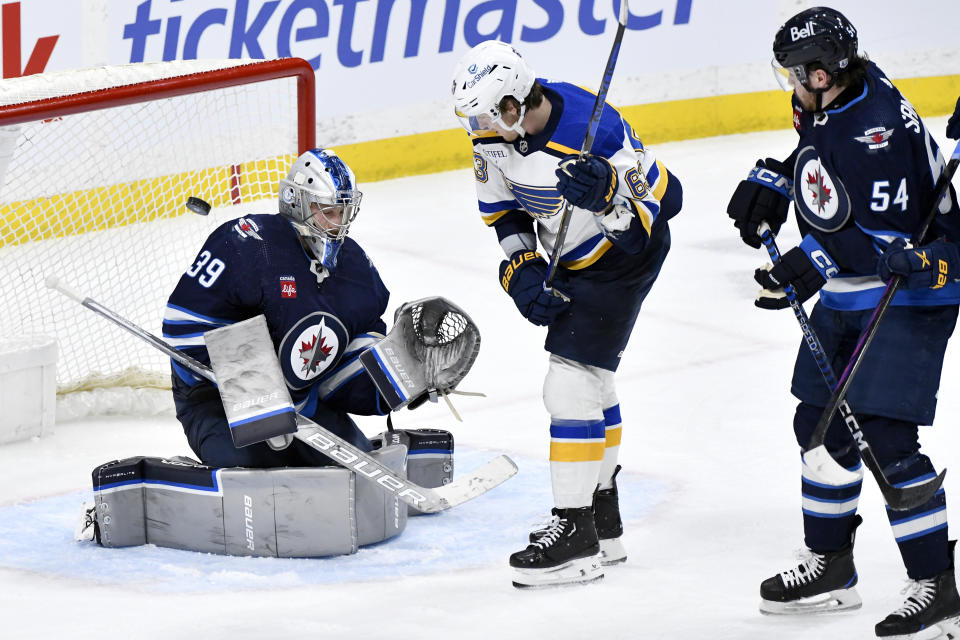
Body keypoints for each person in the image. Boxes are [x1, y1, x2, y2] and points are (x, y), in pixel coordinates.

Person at [726, 7, 960, 638]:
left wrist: (811, 261)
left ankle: (938, 589)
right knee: (818, 424)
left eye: (797, 74)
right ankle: (832, 566)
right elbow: (820, 160)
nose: (792, 84)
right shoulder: (833, 94)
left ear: (823, 72)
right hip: (858, 284)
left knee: (883, 433)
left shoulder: (874, 131)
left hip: (911, 285)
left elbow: (886, 239)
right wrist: (778, 178)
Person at [451, 40, 683, 588]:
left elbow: (666, 203)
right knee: (592, 377)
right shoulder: (491, 137)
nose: (478, 126)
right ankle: (604, 522)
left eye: (487, 113)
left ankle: (576, 535)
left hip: (622, 257)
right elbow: (504, 212)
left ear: (514, 104)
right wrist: (522, 268)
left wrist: (607, 198)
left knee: (570, 380)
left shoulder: (594, 130)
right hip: (569, 258)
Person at [163, 148, 391, 469]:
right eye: (326, 210)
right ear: (296, 201)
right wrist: (256, 385)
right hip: (216, 401)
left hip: (304, 404)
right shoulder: (248, 244)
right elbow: (181, 324)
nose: (337, 224)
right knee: (252, 473)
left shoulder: (355, 267)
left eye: (342, 212)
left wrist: (393, 376)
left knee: (355, 470)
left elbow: (354, 345)